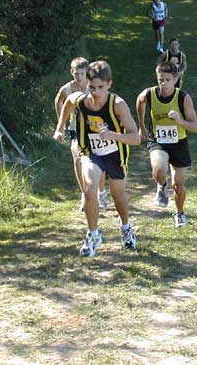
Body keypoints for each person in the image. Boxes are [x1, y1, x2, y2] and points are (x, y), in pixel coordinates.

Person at [54, 61, 140, 256]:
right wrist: (60, 128)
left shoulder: (117, 105)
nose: (95, 92)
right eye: (92, 87)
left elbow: (135, 138)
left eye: (100, 87)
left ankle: (126, 227)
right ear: (87, 84)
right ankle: (93, 235)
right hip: (90, 152)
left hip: (115, 154)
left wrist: (112, 135)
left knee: (118, 196)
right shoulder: (81, 100)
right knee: (90, 189)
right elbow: (68, 102)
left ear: (109, 84)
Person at [136, 62, 197, 228]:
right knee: (159, 170)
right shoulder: (150, 94)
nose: (163, 83)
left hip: (179, 143)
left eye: (167, 80)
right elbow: (140, 101)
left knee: (178, 184)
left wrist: (180, 121)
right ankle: (161, 184)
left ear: (176, 79)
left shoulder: (183, 98)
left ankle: (179, 213)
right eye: (160, 80)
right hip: (158, 140)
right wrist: (141, 125)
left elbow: (195, 127)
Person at [54, 57, 108, 212]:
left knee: (98, 159)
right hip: (75, 127)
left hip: (93, 127)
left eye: (82, 74)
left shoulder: (92, 86)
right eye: (76, 73)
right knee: (77, 157)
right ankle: (85, 193)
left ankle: (102, 192)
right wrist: (61, 123)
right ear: (71, 72)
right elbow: (58, 100)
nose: (79, 77)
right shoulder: (67, 88)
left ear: (87, 73)